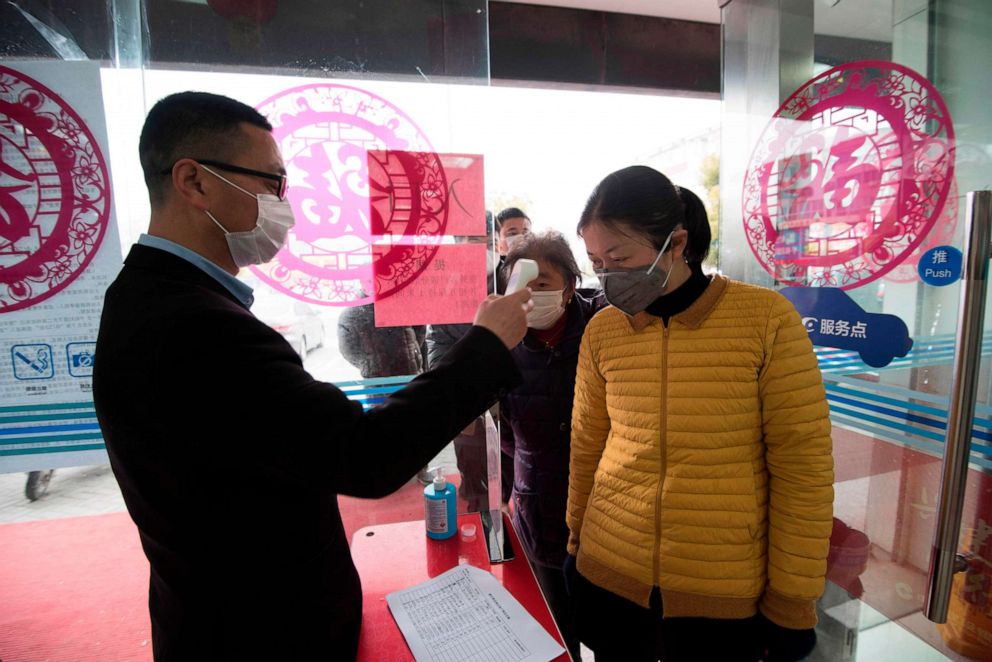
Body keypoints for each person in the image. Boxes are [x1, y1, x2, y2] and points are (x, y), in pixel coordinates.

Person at [92, 91, 532, 661]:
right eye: (272, 183)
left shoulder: (147, 297)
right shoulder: (196, 326)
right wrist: (488, 344)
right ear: (193, 182)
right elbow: (364, 454)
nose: (286, 206)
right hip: (261, 634)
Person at [566, 165, 834, 662]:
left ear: (676, 242)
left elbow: (803, 470)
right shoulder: (604, 330)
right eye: (596, 262)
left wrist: (793, 602)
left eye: (620, 257)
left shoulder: (765, 320)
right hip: (608, 571)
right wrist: (576, 538)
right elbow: (587, 444)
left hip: (721, 593)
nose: (607, 276)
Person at [498, 230, 605, 661]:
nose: (530, 294)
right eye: (521, 284)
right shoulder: (502, 345)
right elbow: (504, 435)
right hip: (537, 508)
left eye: (541, 283)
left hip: (602, 513)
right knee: (557, 630)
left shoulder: (604, 331)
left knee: (607, 627)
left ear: (569, 286)